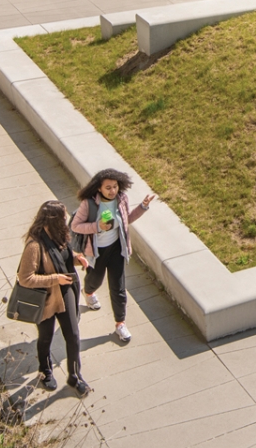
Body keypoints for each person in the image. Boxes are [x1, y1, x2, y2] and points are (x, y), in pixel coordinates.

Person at [70, 168, 154, 344]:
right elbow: (76, 226)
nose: (112, 190)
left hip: (117, 249)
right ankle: (88, 291)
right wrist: (97, 226)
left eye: (115, 186)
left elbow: (126, 220)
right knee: (95, 280)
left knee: (118, 288)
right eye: (108, 187)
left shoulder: (121, 199)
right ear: (99, 188)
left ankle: (120, 324)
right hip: (97, 251)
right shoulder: (89, 204)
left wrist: (142, 207)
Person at [17, 200, 91, 395]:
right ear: (52, 220)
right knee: (46, 336)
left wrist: (78, 258)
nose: (66, 220)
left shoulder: (60, 235)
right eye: (63, 217)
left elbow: (64, 256)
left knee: (73, 336)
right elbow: (25, 278)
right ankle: (45, 370)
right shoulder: (34, 245)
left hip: (66, 292)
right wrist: (55, 278)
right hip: (46, 298)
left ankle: (75, 376)